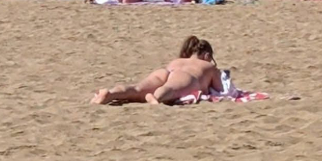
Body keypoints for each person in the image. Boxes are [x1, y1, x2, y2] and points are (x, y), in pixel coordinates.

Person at [91, 36, 223, 106]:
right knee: (170, 88)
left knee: (137, 88)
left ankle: (110, 93)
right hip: (186, 76)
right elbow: (221, 89)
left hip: (165, 72)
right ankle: (155, 98)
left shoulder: (177, 61)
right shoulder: (208, 66)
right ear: (207, 55)